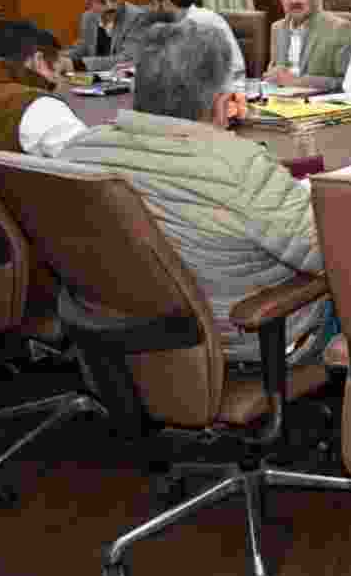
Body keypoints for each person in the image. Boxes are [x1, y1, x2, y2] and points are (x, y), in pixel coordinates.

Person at [61, 21, 329, 369]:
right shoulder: (238, 166)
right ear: (221, 105)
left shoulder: (79, 152)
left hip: (122, 337)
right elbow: (330, 255)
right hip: (246, 342)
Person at [0, 22, 86, 158]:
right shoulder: (40, 107)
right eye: (59, 69)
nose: (58, 79)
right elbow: (99, 169)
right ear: (38, 60)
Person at [264, 0, 351, 92]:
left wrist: (297, 82)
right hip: (280, 100)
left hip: (318, 104)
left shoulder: (339, 28)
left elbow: (347, 81)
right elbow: (274, 71)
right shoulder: (277, 28)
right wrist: (272, 75)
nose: (293, 0)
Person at [151, 0, 246, 77]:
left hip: (229, 83)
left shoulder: (198, 22)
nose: (153, 9)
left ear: (166, 3)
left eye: (154, 3)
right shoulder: (182, 22)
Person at [67, 0, 148, 73]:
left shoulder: (136, 17)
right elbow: (83, 47)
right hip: (96, 80)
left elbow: (128, 58)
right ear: (89, 4)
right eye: (102, 2)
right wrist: (59, 58)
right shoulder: (88, 17)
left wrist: (79, 64)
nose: (110, 6)